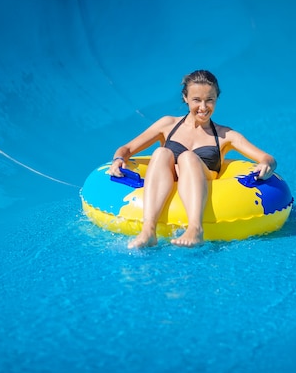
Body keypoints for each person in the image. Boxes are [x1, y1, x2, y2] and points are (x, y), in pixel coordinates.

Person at [108, 70, 277, 248]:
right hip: (166, 182)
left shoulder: (225, 135)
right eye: (197, 100)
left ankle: (195, 229)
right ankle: (148, 231)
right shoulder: (167, 124)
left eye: (210, 100)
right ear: (186, 97)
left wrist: (266, 164)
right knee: (161, 153)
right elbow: (127, 148)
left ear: (216, 99)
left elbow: (267, 157)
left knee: (188, 157)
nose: (203, 107)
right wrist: (119, 159)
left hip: (203, 182)